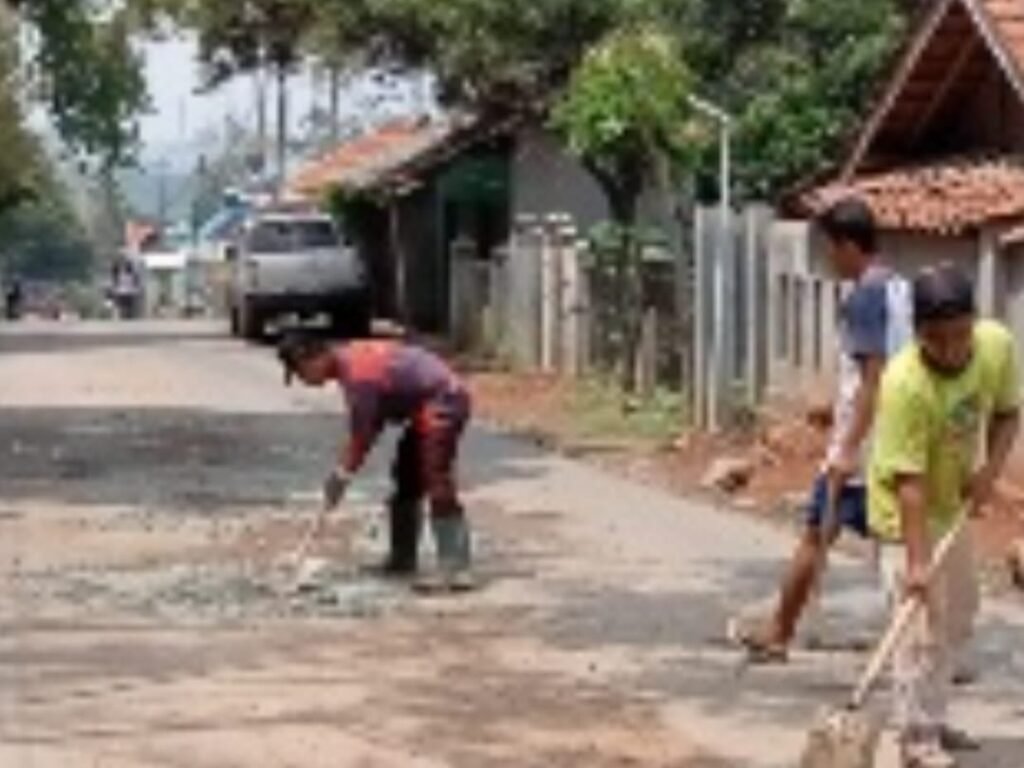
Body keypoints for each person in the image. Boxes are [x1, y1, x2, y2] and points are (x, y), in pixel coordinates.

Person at [732, 197, 912, 662]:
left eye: (830, 247)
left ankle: (780, 633)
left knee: (816, 535)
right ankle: (921, 648)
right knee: (900, 546)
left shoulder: (865, 296)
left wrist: (849, 445)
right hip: (900, 436)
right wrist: (834, 408)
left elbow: (875, 374)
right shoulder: (900, 289)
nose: (828, 258)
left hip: (867, 446)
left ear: (849, 244)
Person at [869, 264, 1019, 768]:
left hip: (951, 503)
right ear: (918, 334)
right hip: (903, 516)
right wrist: (916, 564)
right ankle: (914, 736)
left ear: (975, 321)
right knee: (917, 625)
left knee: (956, 616)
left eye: (960, 335)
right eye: (937, 339)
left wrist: (989, 472)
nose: (952, 348)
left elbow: (1008, 412)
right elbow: (907, 482)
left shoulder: (996, 345)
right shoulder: (904, 383)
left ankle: (933, 715)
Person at [277, 333, 475, 592]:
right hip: (424, 404)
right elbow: (373, 421)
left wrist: (342, 476)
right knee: (406, 476)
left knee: (435, 477)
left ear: (313, 358)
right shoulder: (350, 363)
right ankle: (403, 558)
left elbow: (364, 434)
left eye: (302, 373)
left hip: (443, 400)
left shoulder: (358, 374)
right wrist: (344, 471)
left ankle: (456, 569)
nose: (305, 381)